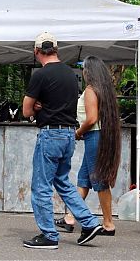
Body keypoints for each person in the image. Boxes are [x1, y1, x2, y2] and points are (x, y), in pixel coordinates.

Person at [22, 32, 102, 250]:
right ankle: (89, 222)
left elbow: (25, 109)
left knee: (41, 187)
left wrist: (36, 107)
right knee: (63, 182)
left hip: (50, 135)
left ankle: (49, 235)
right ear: (56, 50)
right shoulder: (71, 74)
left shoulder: (40, 75)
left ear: (37, 52)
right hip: (69, 134)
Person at [55, 55, 121, 236]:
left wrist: (78, 132)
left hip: (93, 137)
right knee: (83, 180)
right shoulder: (104, 90)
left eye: (84, 68)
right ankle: (69, 218)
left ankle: (108, 224)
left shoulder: (91, 90)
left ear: (89, 71)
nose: (83, 72)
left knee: (99, 180)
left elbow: (92, 119)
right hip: (98, 137)